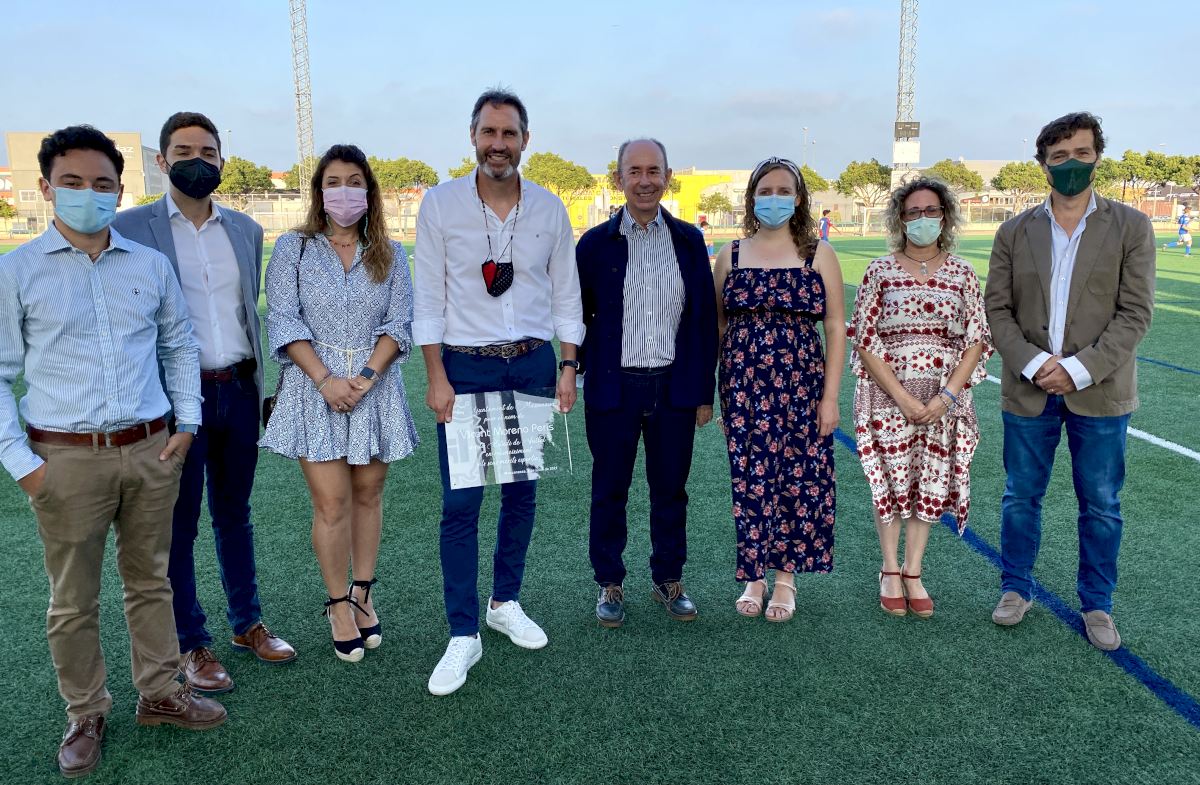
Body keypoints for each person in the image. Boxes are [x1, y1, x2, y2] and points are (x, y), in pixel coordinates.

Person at [0, 126, 226, 779]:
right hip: (65, 458)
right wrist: (25, 465)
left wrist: (187, 424)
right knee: (73, 599)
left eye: (102, 184)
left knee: (150, 581)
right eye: (72, 182)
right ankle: (86, 711)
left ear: (120, 190)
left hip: (150, 450)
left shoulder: (148, 266)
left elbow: (178, 345)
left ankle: (159, 692)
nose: (88, 194)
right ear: (46, 188)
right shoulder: (17, 272)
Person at [113, 111, 295, 693]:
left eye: (208, 152)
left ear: (222, 159)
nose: (198, 161)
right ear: (162, 160)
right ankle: (191, 641)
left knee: (235, 513)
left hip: (237, 390)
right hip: (174, 401)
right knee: (180, 522)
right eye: (185, 151)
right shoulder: (129, 227)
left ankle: (248, 623)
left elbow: (248, 311)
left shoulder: (246, 229)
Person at [414, 88, 584, 695]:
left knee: (520, 494)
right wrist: (436, 375)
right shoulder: (440, 204)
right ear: (473, 136)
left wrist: (569, 365)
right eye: (489, 132)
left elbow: (566, 294)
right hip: (466, 369)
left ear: (525, 140)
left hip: (532, 366)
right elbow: (427, 300)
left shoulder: (550, 209)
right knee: (462, 504)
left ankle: (504, 602)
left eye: (509, 133)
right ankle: (463, 632)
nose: (498, 144)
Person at [985, 112, 1156, 651]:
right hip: (1028, 389)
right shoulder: (1014, 231)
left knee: (1101, 504)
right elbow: (997, 310)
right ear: (1044, 166)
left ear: (1097, 157)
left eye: (1081, 153)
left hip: (1100, 392)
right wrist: (1037, 364)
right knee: (1020, 497)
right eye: (1059, 157)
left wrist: (1077, 369)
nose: (1071, 165)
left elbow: (1134, 314)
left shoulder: (1131, 227)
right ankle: (1015, 588)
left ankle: (1097, 604)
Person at [261, 144, 419, 663]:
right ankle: (336, 604)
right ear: (319, 192)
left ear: (368, 190)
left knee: (369, 494)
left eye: (354, 181)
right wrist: (326, 380)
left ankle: (363, 593)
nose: (343, 191)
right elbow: (284, 319)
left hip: (375, 388)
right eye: (333, 182)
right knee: (332, 503)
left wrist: (367, 377)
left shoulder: (390, 253)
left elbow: (400, 322)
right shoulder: (294, 248)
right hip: (314, 389)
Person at [576, 138, 718, 627]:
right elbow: (576, 315)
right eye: (634, 171)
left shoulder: (688, 241)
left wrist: (702, 393)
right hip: (612, 389)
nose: (644, 180)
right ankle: (609, 581)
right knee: (609, 490)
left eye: (653, 171)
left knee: (671, 490)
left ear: (667, 177)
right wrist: (575, 370)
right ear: (619, 179)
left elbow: (703, 320)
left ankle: (668, 578)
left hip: (672, 390)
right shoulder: (594, 245)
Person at [846, 177, 992, 619]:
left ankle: (913, 571)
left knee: (929, 480)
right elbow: (864, 338)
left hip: (943, 399)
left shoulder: (963, 273)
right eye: (913, 212)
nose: (922, 218)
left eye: (931, 211)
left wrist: (946, 397)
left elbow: (977, 338)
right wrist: (903, 398)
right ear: (900, 219)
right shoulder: (879, 270)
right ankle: (889, 569)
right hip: (887, 395)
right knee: (890, 483)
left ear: (944, 216)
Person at [713, 157, 845, 622]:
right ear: (752, 199)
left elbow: (835, 326)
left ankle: (786, 577)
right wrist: (717, 392)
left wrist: (830, 398)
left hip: (801, 387)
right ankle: (754, 575)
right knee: (751, 480)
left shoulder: (817, 254)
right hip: (744, 388)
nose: (774, 199)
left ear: (799, 198)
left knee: (799, 481)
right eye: (765, 191)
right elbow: (719, 326)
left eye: (783, 190)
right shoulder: (730, 255)